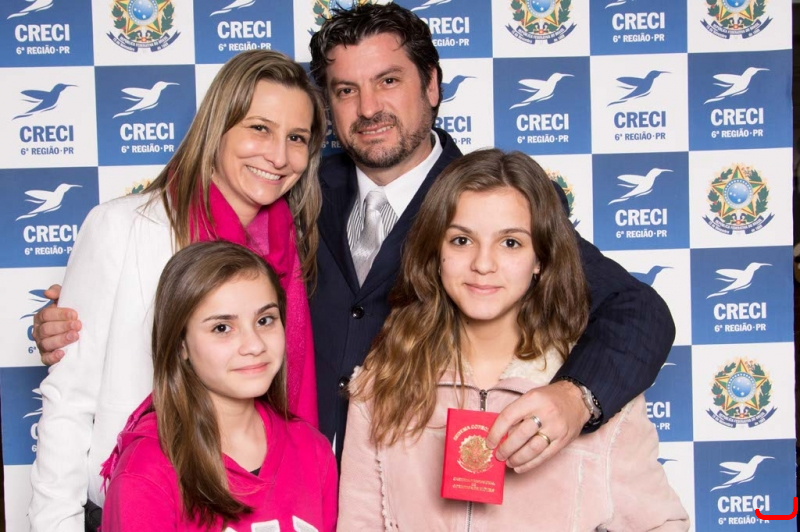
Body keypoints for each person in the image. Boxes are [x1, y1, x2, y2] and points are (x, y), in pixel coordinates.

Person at [34, 4, 675, 471]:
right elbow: (196, 262)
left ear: (432, 85)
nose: (368, 108)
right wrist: (86, 319)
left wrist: (574, 398)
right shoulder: (294, 186)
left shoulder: (489, 202)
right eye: (346, 90)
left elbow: (637, 309)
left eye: (388, 81)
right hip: (279, 486)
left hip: (423, 488)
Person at [29, 50, 326, 531]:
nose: (278, 156)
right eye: (259, 128)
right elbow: (69, 399)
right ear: (216, 128)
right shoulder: (124, 227)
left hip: (269, 506)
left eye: (297, 137)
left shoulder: (296, 247)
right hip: (138, 504)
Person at [339, 149, 689, 530]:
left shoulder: (598, 399)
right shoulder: (380, 384)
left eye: (510, 243)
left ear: (540, 259)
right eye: (461, 240)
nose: (483, 264)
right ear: (436, 251)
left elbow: (662, 523)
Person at [101, 241, 337, 532]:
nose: (254, 345)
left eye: (265, 320)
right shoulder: (146, 472)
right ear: (181, 344)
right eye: (222, 328)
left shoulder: (313, 450)